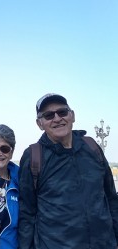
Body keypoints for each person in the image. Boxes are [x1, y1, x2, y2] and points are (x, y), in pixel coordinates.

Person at [19, 93, 118, 249]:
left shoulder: (92, 147)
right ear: (40, 123)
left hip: (104, 244)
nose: (57, 118)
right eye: (49, 115)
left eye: (62, 112)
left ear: (72, 115)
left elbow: (111, 198)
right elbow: (27, 213)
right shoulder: (33, 157)